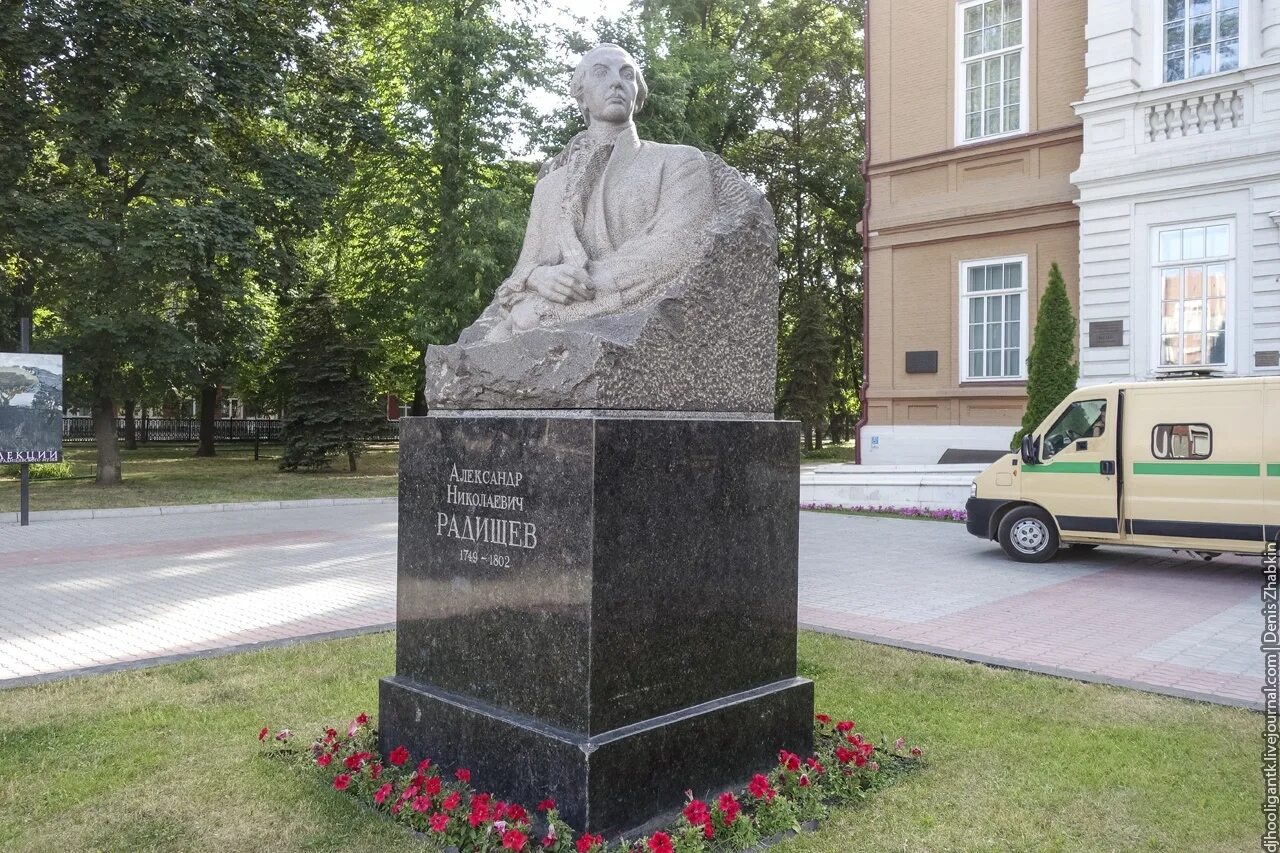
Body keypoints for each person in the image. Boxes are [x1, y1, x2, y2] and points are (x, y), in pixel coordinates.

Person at [457, 44, 715, 344]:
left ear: (638, 95)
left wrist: (562, 301)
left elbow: (674, 249)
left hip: (624, 325)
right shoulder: (550, 187)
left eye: (627, 74)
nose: (617, 81)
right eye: (601, 73)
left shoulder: (680, 162)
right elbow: (523, 269)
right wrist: (537, 278)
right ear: (581, 96)